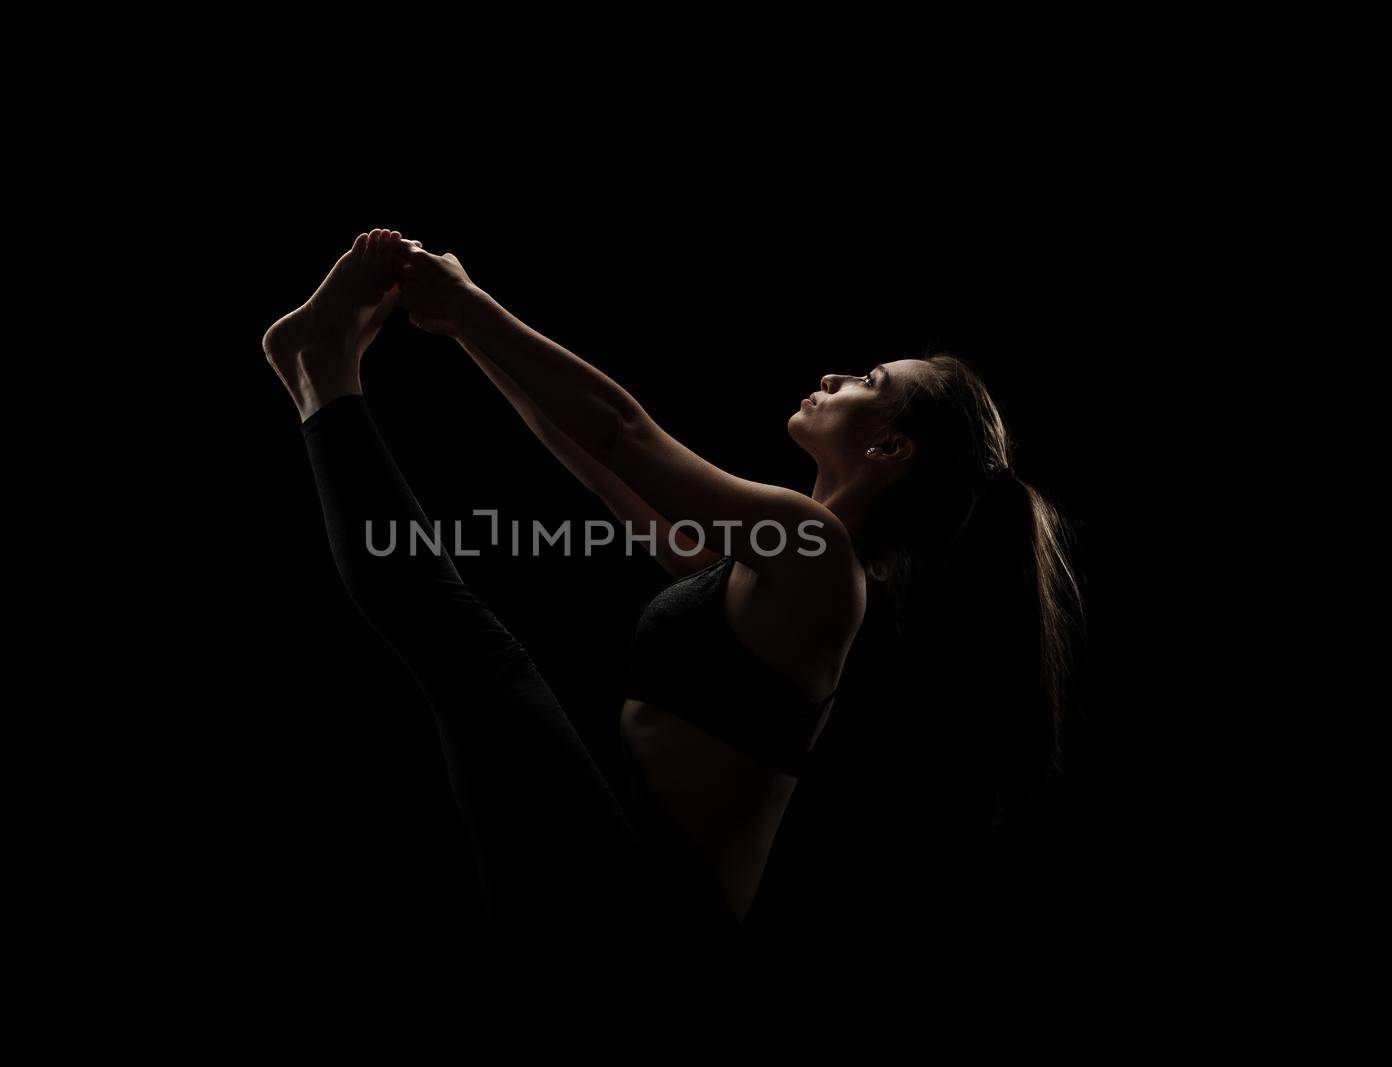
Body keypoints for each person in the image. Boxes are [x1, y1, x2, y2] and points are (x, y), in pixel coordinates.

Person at [262, 228, 1083, 956]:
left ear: (891, 445)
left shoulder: (818, 555)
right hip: (626, 889)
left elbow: (624, 432)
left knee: (474, 652)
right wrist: (460, 331)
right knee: (464, 647)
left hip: (648, 917)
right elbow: (600, 462)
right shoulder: (777, 565)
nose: (836, 374)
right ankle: (322, 374)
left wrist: (472, 305)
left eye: (870, 378)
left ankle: (322, 373)